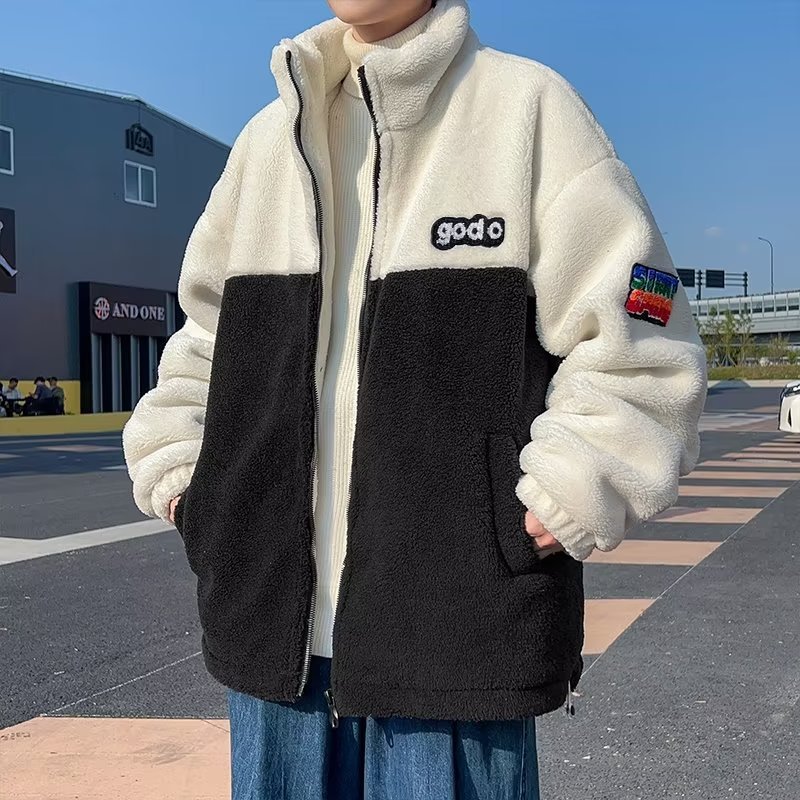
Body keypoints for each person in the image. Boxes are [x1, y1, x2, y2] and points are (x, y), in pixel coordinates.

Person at [123, 1, 707, 797]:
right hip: (272, 644)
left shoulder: (525, 110)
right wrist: (190, 482)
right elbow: (203, 343)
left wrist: (564, 492)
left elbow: (645, 331)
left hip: (457, 635)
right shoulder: (267, 144)